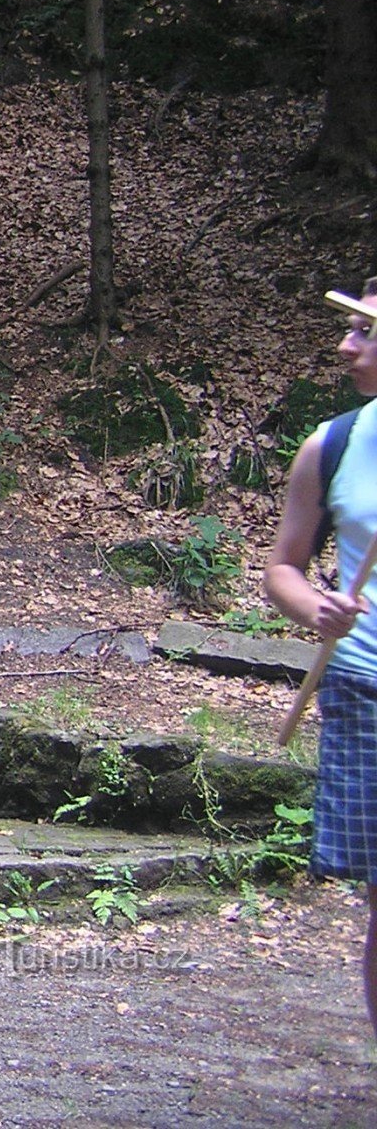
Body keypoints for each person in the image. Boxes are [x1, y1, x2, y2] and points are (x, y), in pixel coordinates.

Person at [265, 277, 377, 1035]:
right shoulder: (332, 444)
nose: (347, 345)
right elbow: (283, 569)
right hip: (367, 689)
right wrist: (318, 609)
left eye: (367, 331)